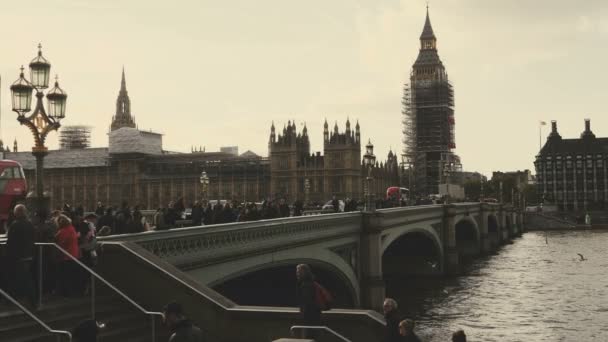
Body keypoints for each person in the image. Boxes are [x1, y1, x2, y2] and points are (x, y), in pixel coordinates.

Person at [5, 204, 36, 306]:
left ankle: (29, 300)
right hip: (29, 254)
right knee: (27, 276)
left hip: (18, 256)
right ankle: (31, 299)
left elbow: (10, 243)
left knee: (21, 277)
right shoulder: (30, 224)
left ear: (17, 213)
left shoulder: (15, 225)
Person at [55, 214, 81, 296]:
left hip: (66, 256)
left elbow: (62, 244)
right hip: (74, 254)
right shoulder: (72, 228)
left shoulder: (62, 231)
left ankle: (65, 293)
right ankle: (72, 292)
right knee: (71, 276)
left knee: (65, 276)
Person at [296, 264, 321, 339]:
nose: (297, 274)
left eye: (298, 272)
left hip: (309, 319)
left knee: (307, 338)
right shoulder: (312, 283)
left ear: (303, 273)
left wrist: (303, 314)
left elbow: (307, 302)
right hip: (315, 317)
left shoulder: (306, 285)